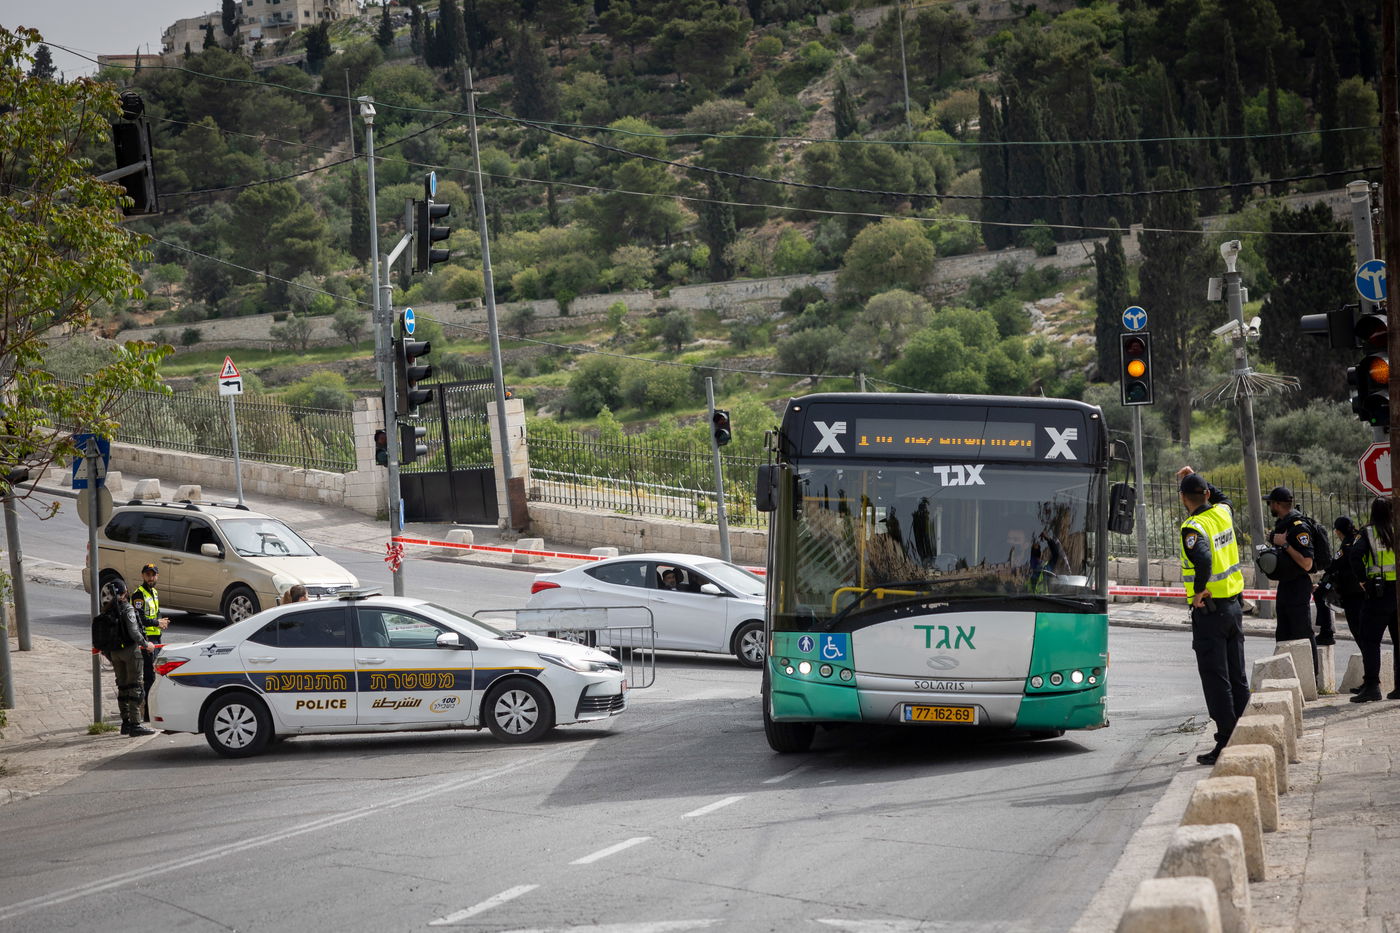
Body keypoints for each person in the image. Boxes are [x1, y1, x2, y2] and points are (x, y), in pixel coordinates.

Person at [1176, 466, 1249, 766]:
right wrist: (1198, 477)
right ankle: (1246, 732)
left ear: (1183, 498)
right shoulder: (1223, 513)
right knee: (1237, 676)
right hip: (1234, 608)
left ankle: (1226, 741)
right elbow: (1223, 497)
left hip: (1211, 612)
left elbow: (1203, 558)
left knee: (1216, 679)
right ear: (1206, 493)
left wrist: (1198, 592)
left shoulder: (1193, 527)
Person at [1350, 497, 1400, 703]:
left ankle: (1372, 686)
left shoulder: (1368, 531)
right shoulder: (1396, 530)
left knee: (1370, 641)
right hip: (1397, 592)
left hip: (1378, 593)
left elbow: (1354, 555)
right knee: (1398, 641)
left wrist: (1362, 580)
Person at [1264, 487, 1317, 677]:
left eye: (1270, 502)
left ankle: (1311, 676)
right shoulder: (1283, 524)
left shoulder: (1298, 527)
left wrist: (1284, 544)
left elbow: (1307, 563)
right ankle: (1287, 676)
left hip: (1298, 585)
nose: (1269, 505)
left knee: (1301, 632)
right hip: (1286, 585)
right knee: (1284, 633)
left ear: (1277, 504)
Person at [93, 579, 156, 737]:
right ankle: (136, 724)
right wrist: (146, 644)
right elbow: (134, 633)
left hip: (114, 653)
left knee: (122, 687)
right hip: (130, 652)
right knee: (135, 687)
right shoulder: (127, 608)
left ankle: (125, 723)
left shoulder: (106, 610)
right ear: (124, 593)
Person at [131, 563, 170, 722]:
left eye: (153, 575)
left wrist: (162, 622)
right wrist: (156, 623)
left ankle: (152, 709)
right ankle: (147, 714)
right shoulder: (138, 594)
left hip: (156, 639)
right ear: (142, 576)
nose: (151, 577)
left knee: (155, 674)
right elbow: (138, 618)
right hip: (146, 640)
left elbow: (156, 611)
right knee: (149, 677)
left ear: (157, 576)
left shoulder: (154, 592)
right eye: (148, 574)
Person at [1326, 517, 1367, 664]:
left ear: (1337, 531)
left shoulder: (1345, 547)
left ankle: (1370, 679)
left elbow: (1333, 566)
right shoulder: (1360, 539)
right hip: (1366, 593)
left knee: (1359, 633)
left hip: (1352, 595)